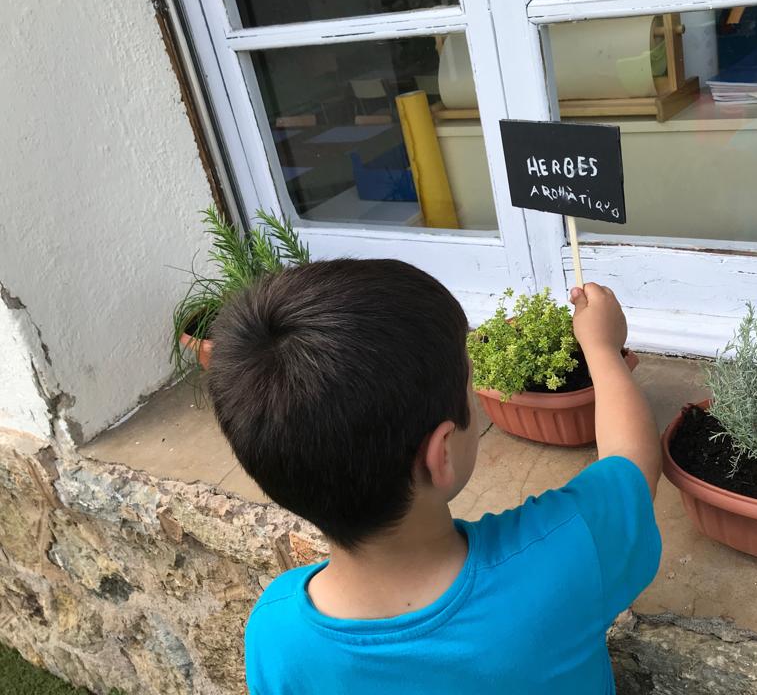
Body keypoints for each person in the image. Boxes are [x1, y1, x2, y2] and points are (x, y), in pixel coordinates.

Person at [207, 258, 662, 694]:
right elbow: (632, 463)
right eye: (470, 386)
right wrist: (602, 348)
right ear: (440, 454)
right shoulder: (561, 554)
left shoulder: (274, 633)